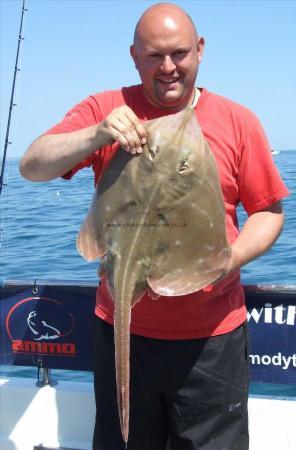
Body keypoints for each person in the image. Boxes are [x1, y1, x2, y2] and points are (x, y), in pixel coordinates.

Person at [20, 3, 289, 450]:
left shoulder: (239, 121)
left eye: (179, 53)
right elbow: (32, 166)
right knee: (122, 440)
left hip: (211, 339)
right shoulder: (107, 109)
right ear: (133, 55)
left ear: (200, 50)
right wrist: (96, 135)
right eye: (153, 57)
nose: (168, 67)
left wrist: (228, 259)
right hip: (122, 328)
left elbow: (269, 211)